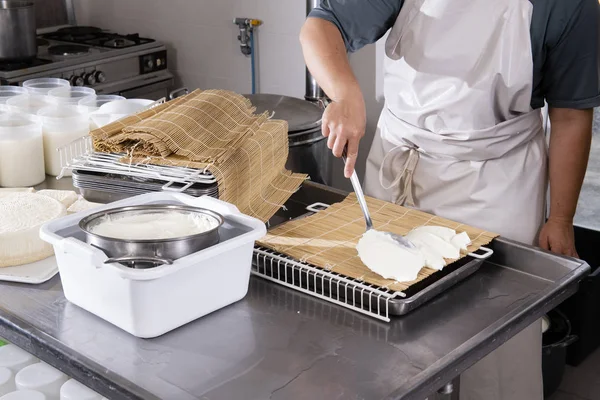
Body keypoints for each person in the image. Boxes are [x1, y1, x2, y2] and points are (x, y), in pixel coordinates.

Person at [300, 0, 600, 399]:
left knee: (488, 343)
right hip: (398, 171)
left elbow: (570, 117)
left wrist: (560, 218)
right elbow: (323, 25)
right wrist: (344, 92)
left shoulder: (568, 7)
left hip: (495, 185)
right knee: (386, 327)